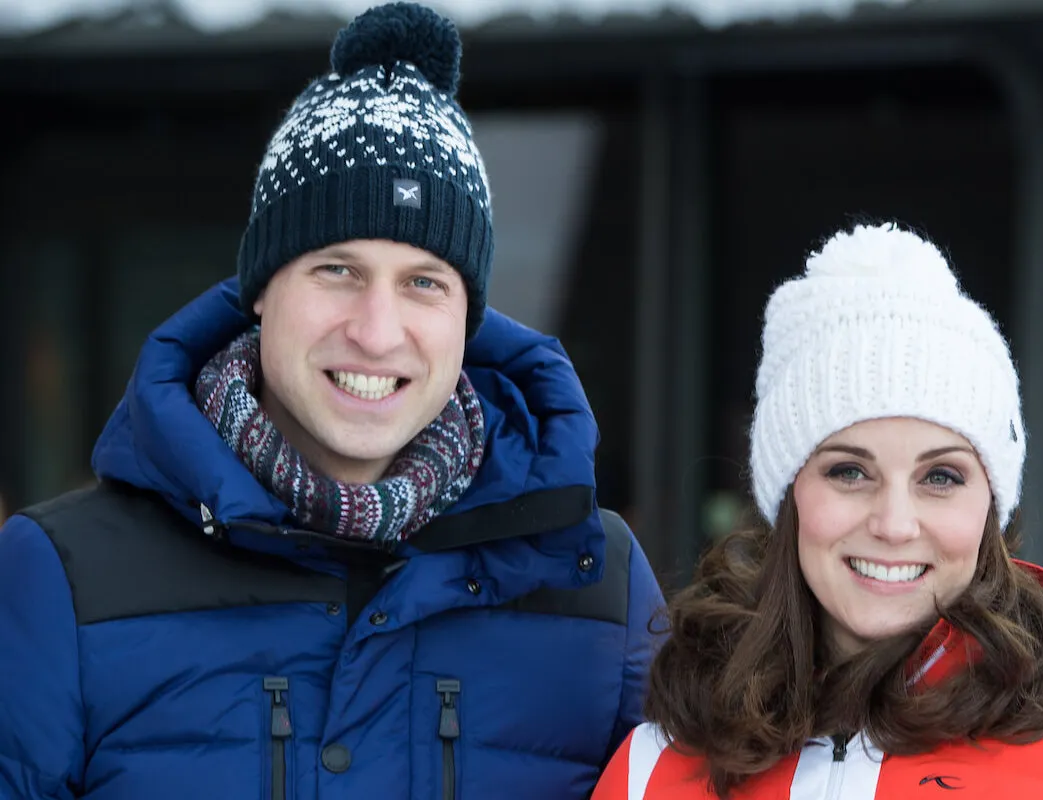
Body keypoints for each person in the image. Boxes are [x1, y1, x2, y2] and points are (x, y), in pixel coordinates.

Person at [0, 4, 663, 798]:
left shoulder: (598, 583)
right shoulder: (65, 579)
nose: (377, 333)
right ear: (259, 292)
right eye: (337, 270)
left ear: (468, 321)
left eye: (424, 282)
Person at [595, 223, 1043, 799]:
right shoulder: (653, 768)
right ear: (789, 495)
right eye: (850, 472)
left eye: (941, 477)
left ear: (991, 506)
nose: (894, 523)